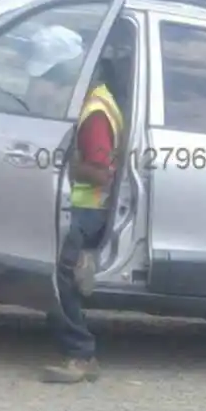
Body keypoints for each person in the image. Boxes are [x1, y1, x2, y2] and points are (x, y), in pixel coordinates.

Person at [44, 43, 128, 383]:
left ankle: (81, 353)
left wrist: (63, 162)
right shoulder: (98, 100)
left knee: (56, 271)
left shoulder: (93, 114)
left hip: (88, 206)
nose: (52, 86)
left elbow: (101, 172)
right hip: (86, 204)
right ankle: (82, 262)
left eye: (54, 78)